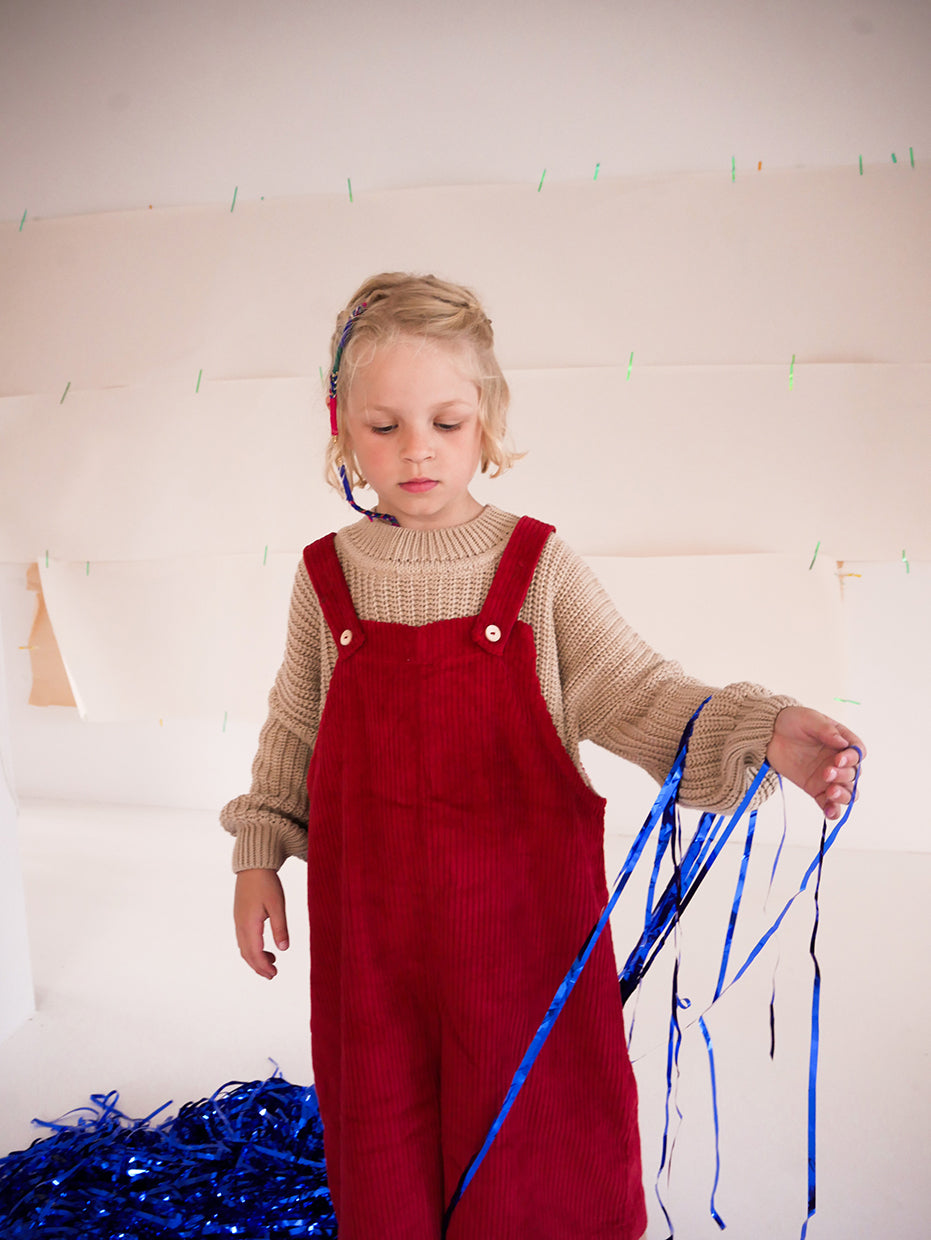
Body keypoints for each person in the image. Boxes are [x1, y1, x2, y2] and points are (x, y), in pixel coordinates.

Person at [221, 272, 863, 1240]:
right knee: (383, 1122)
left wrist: (760, 729)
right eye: (383, 425)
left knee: (536, 1137)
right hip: (372, 937)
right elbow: (295, 725)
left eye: (444, 420)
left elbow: (638, 692)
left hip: (519, 932)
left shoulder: (534, 565)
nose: (417, 449)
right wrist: (259, 851)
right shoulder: (326, 578)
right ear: (341, 429)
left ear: (487, 420)